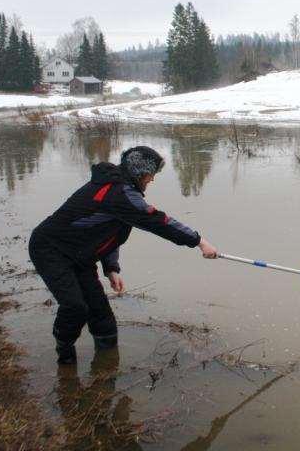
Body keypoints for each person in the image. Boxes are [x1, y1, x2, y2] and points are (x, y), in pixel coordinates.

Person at [29, 146, 218, 364]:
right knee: (75, 307)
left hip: (80, 255)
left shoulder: (122, 191)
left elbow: (109, 231)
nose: (152, 179)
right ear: (139, 172)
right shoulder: (119, 193)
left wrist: (111, 268)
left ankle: (107, 364)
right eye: (151, 173)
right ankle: (64, 354)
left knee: (101, 316)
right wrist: (199, 241)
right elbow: (159, 222)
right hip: (50, 249)